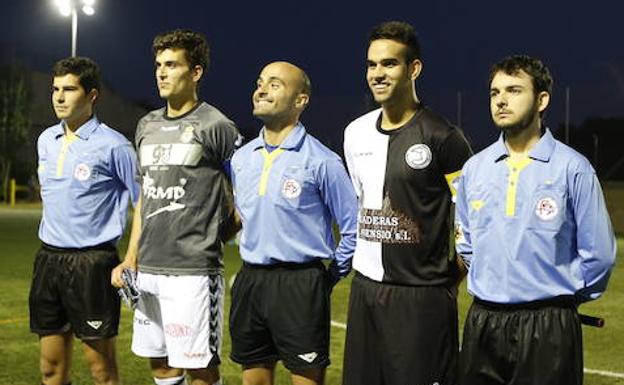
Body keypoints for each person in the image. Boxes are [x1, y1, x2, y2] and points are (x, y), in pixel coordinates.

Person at [454, 55, 617, 385]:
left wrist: (557, 299)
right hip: (483, 322)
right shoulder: (475, 169)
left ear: (542, 100)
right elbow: (466, 245)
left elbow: (599, 255)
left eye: (514, 90)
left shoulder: (573, 168)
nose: (501, 99)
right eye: (494, 92)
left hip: (549, 327)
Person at [342, 21, 473, 385]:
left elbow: (471, 216)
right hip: (365, 290)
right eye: (372, 64)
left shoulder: (443, 137)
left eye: (389, 64)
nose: (378, 73)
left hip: (422, 298)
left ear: (413, 69)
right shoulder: (355, 133)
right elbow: (361, 199)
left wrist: (450, 279)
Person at [111, 30, 240, 385]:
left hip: (193, 272)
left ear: (195, 72)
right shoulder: (146, 125)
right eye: (158, 65)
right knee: (161, 365)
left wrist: (219, 237)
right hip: (148, 268)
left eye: (172, 65)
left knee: (200, 368)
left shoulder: (217, 126)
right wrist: (131, 256)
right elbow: (145, 197)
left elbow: (246, 190)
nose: (162, 73)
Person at [228, 61, 358, 385]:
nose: (261, 89)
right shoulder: (241, 159)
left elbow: (354, 227)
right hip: (250, 280)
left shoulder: (322, 161)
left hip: (301, 284)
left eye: (274, 84)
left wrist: (327, 278)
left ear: (301, 100)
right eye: (260, 82)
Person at [29, 57, 140, 385]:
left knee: (101, 371)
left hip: (93, 264)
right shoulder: (46, 140)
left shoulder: (115, 146)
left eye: (69, 89)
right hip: (48, 260)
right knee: (50, 368)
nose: (59, 97)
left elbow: (144, 201)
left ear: (92, 95)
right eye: (55, 89)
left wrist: (131, 259)